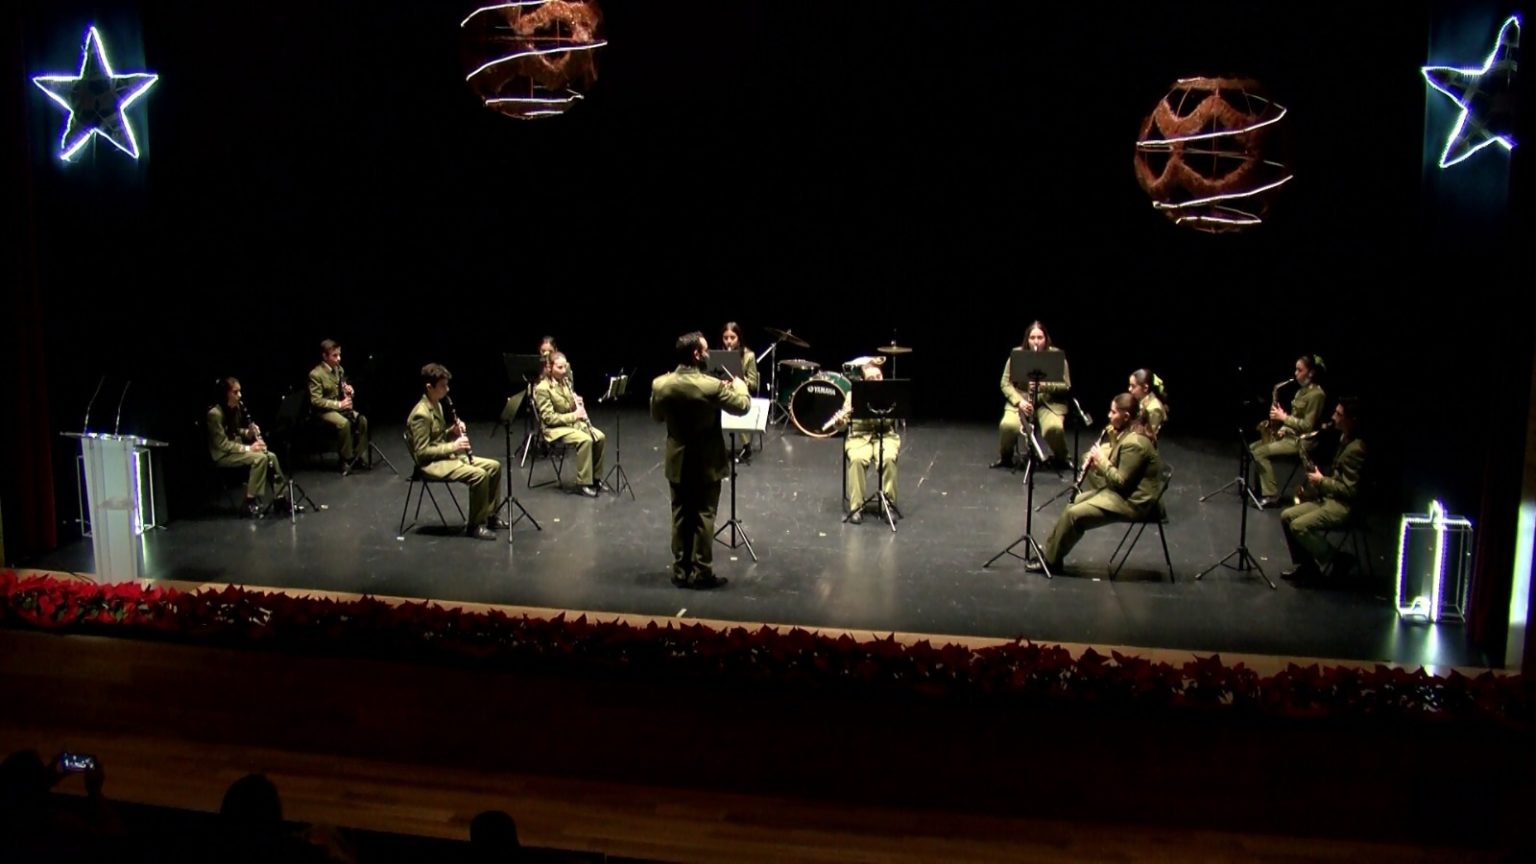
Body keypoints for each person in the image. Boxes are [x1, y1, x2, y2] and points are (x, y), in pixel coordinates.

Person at [651, 332, 751, 589]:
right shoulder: (710, 386)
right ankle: (702, 571)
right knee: (704, 516)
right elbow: (742, 406)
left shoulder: (660, 384)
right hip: (706, 461)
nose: (708, 354)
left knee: (681, 515)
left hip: (677, 459)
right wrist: (740, 386)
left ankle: (680, 570)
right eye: (705, 350)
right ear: (696, 354)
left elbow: (657, 417)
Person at [1031, 393, 1164, 574]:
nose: (1109, 416)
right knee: (1075, 501)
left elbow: (1122, 482)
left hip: (1135, 502)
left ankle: (1051, 562)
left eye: (1113, 412)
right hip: (1124, 494)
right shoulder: (1128, 432)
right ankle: (1051, 551)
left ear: (1126, 416)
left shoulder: (1136, 442)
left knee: (1074, 514)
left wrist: (1101, 461)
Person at [406, 363, 505, 540]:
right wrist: (454, 446)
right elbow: (421, 452)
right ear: (429, 387)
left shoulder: (437, 404)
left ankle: (490, 516)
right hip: (431, 465)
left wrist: (451, 432)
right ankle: (475, 526)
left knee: (494, 466)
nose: (447, 389)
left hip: (445, 457)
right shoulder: (420, 414)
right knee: (479, 475)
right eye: (443, 385)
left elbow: (436, 437)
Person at [1281, 397, 1366, 583]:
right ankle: (1308, 568)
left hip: (1343, 507)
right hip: (1329, 499)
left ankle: (1338, 559)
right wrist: (1317, 484)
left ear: (1351, 420)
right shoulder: (1344, 438)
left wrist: (1322, 481)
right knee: (1287, 516)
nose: (1334, 417)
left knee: (1298, 525)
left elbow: (1351, 491)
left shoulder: (1356, 449)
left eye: (1339, 414)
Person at [207, 377, 293, 518]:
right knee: (259, 459)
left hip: (235, 450)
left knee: (271, 456)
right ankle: (249, 502)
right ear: (226, 394)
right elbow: (221, 444)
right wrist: (249, 448)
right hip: (222, 455)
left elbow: (235, 431)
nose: (239, 395)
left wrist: (249, 432)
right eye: (235, 392)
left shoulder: (236, 407)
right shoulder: (214, 414)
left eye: (239, 391)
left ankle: (280, 498)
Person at [994, 321, 1072, 469]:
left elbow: (1066, 385)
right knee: (1008, 425)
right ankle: (1006, 457)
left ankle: (1062, 458)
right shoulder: (1017, 355)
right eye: (1032, 337)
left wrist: (1044, 386)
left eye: (1040, 337)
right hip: (1023, 400)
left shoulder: (1056, 357)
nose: (1036, 341)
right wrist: (1018, 401)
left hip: (1048, 402)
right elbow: (1005, 383)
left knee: (1053, 428)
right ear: (1027, 339)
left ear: (1046, 338)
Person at [1252, 355, 1327, 508]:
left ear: (1311, 373)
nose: (1295, 373)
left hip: (1302, 441)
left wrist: (1283, 417)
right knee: (1253, 448)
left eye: (1300, 370)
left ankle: (1271, 494)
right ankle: (1259, 488)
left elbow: (1308, 426)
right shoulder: (1301, 391)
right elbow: (1295, 417)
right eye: (1295, 369)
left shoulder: (1317, 395)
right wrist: (1283, 428)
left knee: (1260, 452)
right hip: (1290, 435)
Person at [533, 352, 606, 497]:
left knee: (600, 437)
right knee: (585, 440)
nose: (564, 370)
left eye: (565, 367)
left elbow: (569, 406)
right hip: (554, 429)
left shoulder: (565, 382)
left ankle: (595, 479)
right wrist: (575, 415)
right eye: (560, 367)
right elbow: (549, 419)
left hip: (570, 424)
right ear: (550, 367)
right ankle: (584, 483)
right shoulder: (543, 388)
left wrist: (577, 403)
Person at [837, 360, 899, 524]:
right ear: (864, 381)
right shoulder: (853, 395)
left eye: (879, 376)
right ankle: (856, 507)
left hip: (884, 435)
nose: (877, 380)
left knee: (888, 458)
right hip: (859, 437)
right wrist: (840, 423)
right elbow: (843, 426)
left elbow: (890, 422)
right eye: (872, 378)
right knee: (857, 459)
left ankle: (889, 505)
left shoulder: (889, 394)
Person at [307, 339, 370, 472]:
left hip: (339, 407)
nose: (339, 358)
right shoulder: (316, 374)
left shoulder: (338, 369)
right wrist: (339, 404)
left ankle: (357, 455)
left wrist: (348, 391)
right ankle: (345, 459)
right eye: (334, 355)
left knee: (362, 420)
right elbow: (315, 400)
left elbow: (341, 387)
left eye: (339, 354)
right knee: (344, 423)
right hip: (323, 411)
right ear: (325, 356)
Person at [721, 322, 761, 460]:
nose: (729, 341)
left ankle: (746, 445)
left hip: (741, 391)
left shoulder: (749, 356)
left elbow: (754, 384)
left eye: (732, 337)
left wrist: (740, 379)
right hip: (724, 390)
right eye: (725, 338)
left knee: (736, 399)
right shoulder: (719, 355)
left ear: (739, 338)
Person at [1127, 368, 1169, 440]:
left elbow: (1151, 436)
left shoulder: (1154, 408)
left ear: (1145, 388)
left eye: (1133, 386)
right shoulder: (1141, 400)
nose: (1129, 389)